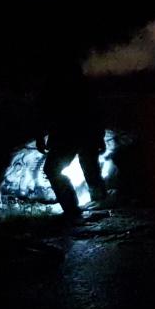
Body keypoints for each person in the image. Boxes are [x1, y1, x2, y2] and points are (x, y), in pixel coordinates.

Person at [36, 55, 108, 218]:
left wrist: (40, 135)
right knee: (89, 167)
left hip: (68, 133)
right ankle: (95, 202)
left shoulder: (55, 83)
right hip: (79, 131)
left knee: (57, 169)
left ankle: (75, 208)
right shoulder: (80, 82)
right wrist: (99, 135)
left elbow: (42, 110)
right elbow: (96, 109)